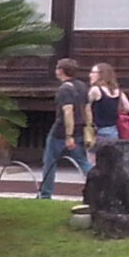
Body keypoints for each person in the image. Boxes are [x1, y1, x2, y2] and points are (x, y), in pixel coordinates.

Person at [38, 57, 90, 199]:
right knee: (83, 161)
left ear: (61, 71)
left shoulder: (64, 89)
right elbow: (87, 109)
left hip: (61, 132)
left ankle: (45, 194)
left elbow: (68, 112)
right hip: (80, 128)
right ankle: (101, 185)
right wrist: (88, 127)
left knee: (50, 162)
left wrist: (68, 135)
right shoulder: (82, 86)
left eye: (57, 68)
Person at [87, 62, 127, 143]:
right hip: (112, 129)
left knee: (92, 154)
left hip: (97, 130)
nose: (90, 75)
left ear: (102, 74)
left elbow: (85, 107)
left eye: (93, 72)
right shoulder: (118, 91)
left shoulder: (95, 90)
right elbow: (128, 107)